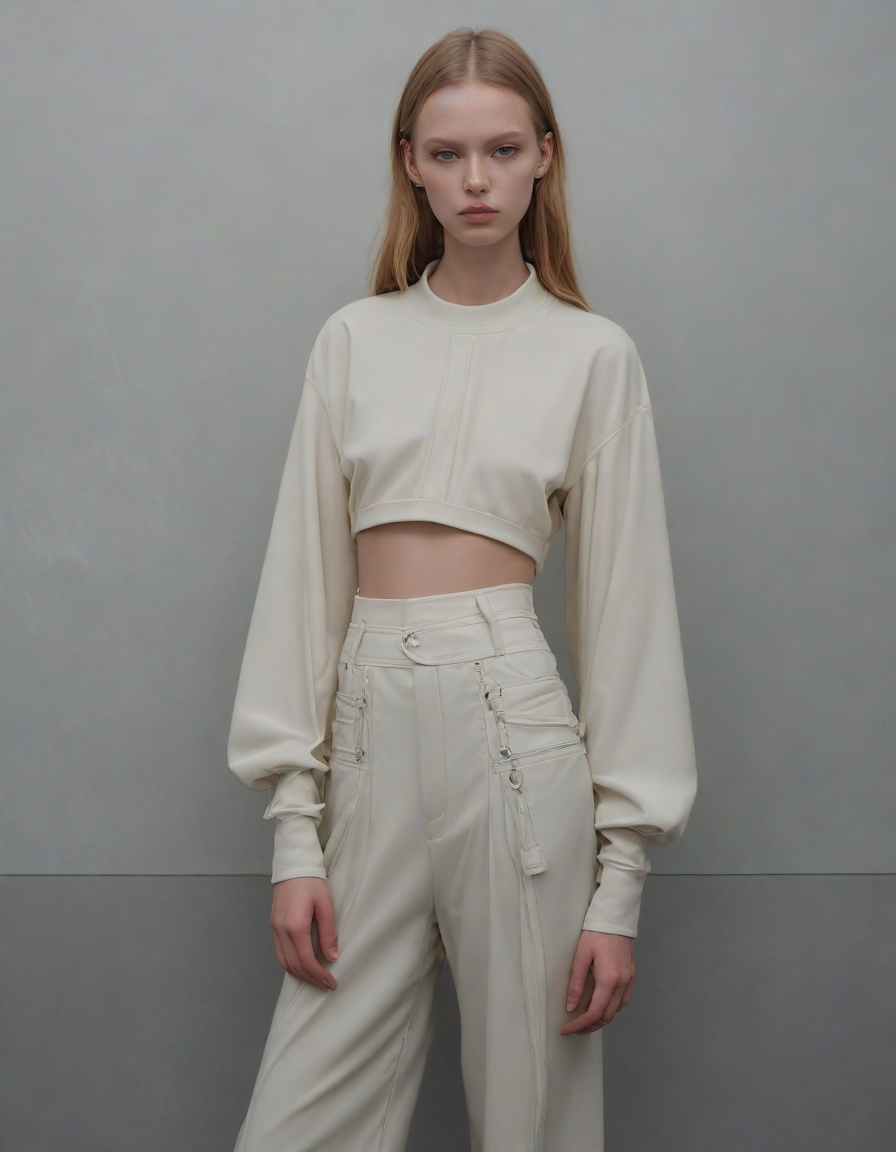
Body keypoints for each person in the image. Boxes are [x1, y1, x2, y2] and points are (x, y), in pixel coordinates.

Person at [226, 25, 697, 1152]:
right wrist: (295, 837)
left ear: (543, 156)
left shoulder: (592, 355)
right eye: (447, 154)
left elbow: (627, 617)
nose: (476, 180)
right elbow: (302, 585)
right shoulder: (353, 340)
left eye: (501, 150)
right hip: (366, 740)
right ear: (410, 164)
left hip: (516, 745)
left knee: (535, 1119)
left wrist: (618, 890)